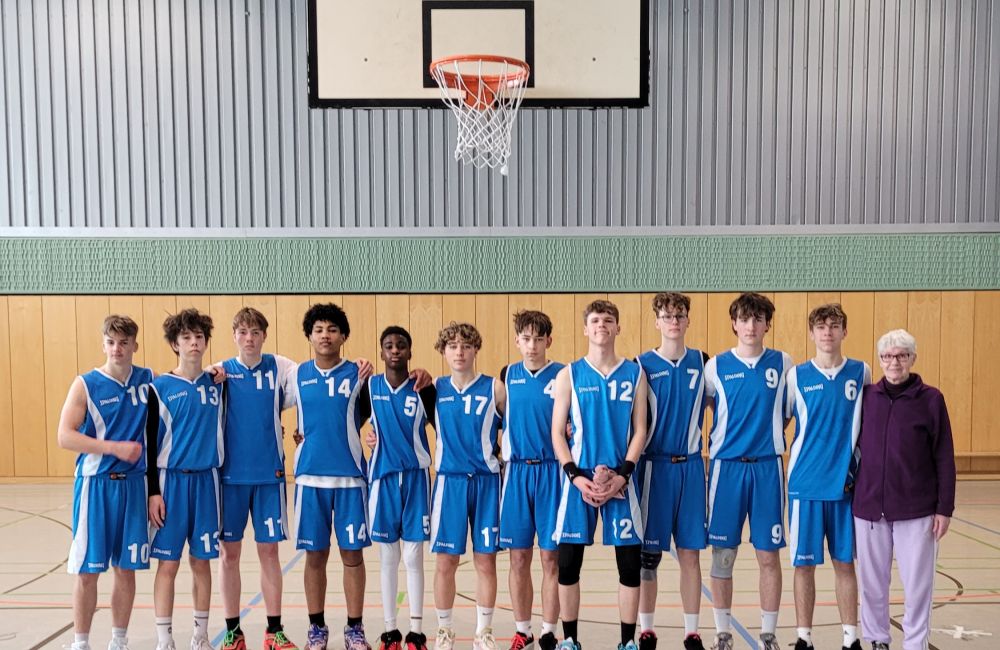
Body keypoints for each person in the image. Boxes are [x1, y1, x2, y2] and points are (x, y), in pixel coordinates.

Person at [551, 299, 649, 650]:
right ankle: (570, 640)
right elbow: (557, 434)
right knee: (567, 565)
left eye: (608, 320)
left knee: (628, 565)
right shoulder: (569, 374)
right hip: (580, 482)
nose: (602, 326)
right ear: (585, 328)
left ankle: (627, 642)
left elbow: (640, 429)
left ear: (618, 328)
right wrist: (576, 477)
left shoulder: (634, 373)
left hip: (621, 482)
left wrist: (623, 475)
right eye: (595, 320)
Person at [853, 329, 956, 650]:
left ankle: (914, 644)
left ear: (912, 358)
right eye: (887, 356)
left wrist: (944, 508)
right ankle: (877, 640)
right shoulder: (867, 396)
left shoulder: (931, 399)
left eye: (901, 355)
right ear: (880, 360)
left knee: (917, 586)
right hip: (869, 509)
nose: (894, 362)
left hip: (917, 510)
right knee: (872, 585)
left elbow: (944, 456)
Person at [57, 315, 154, 650]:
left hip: (133, 486)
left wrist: (217, 371)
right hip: (95, 485)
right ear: (103, 344)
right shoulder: (86, 384)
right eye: (111, 342)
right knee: (88, 570)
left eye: (124, 342)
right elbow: (65, 436)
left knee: (126, 569)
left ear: (134, 346)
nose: (117, 348)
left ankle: (118, 640)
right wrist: (112, 447)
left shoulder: (148, 380)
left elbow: (187, 376)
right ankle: (80, 643)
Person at [703, 293, 793, 650]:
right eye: (745, 319)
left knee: (768, 555)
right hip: (726, 470)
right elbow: (709, 405)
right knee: (723, 555)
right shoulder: (717, 366)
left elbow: (788, 410)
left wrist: (767, 434)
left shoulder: (784, 363)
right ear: (734, 324)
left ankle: (768, 633)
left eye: (758, 320)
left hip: (768, 469)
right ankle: (722, 633)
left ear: (767, 324)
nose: (751, 326)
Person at [287, 303, 373, 650]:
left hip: (350, 477)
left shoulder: (360, 373)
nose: (325, 335)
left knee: (352, 555)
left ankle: (355, 628)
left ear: (343, 336)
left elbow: (378, 412)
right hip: (309, 478)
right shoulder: (295, 375)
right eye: (319, 329)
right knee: (315, 557)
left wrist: (374, 435)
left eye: (332, 329)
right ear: (309, 335)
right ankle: (316, 628)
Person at [785, 304, 870, 650]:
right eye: (821, 326)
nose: (828, 332)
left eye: (835, 326)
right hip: (805, 486)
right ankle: (804, 637)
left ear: (844, 332)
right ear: (812, 333)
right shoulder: (796, 376)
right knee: (804, 567)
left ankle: (851, 638)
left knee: (844, 564)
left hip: (845, 486)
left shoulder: (860, 372)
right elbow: (781, 422)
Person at [217, 307, 299, 650]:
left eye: (255, 332)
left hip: (269, 476)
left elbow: (315, 390)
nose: (249, 338)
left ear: (264, 335)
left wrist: (303, 433)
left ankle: (273, 630)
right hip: (230, 478)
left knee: (269, 553)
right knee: (229, 555)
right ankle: (233, 631)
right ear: (234, 335)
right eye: (243, 332)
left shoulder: (282, 367)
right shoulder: (220, 372)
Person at [145, 309, 225, 650]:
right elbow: (149, 445)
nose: (194, 343)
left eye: (199, 337)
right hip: (171, 483)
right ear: (175, 344)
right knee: (168, 562)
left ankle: (200, 634)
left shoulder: (218, 383)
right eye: (186, 338)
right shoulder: (159, 388)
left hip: (207, 483)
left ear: (206, 342)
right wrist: (153, 492)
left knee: (202, 561)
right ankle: (164, 638)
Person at [635, 293, 709, 650]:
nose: (674, 321)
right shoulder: (642, 365)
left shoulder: (703, 362)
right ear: (657, 321)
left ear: (687, 320)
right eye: (667, 315)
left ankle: (691, 631)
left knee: (691, 554)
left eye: (679, 315)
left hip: (692, 466)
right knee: (648, 557)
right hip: (654, 468)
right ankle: (646, 628)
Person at [429, 322, 505, 650]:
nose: (459, 351)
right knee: (445, 561)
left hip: (487, 483)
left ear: (476, 350)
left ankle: (483, 631)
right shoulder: (432, 388)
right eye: (453, 346)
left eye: (466, 345)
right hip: (450, 483)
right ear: (443, 351)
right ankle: (445, 630)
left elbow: (519, 428)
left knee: (485, 560)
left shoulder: (496, 388)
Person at [363, 326, 436, 650]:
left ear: (410, 351)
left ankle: (416, 631)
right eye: (389, 346)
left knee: (414, 555)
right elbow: (350, 424)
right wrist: (367, 438)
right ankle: (391, 629)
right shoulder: (369, 386)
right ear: (381, 352)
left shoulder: (423, 387)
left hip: (416, 479)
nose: (395, 350)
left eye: (401, 345)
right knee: (388, 556)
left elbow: (447, 428)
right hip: (383, 479)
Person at [498, 311, 564, 650]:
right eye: (526, 338)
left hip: (553, 473)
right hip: (517, 473)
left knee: (550, 558)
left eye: (539, 339)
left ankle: (550, 629)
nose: (533, 345)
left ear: (549, 341)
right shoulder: (506, 376)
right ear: (517, 341)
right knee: (518, 557)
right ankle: (523, 629)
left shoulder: (564, 374)